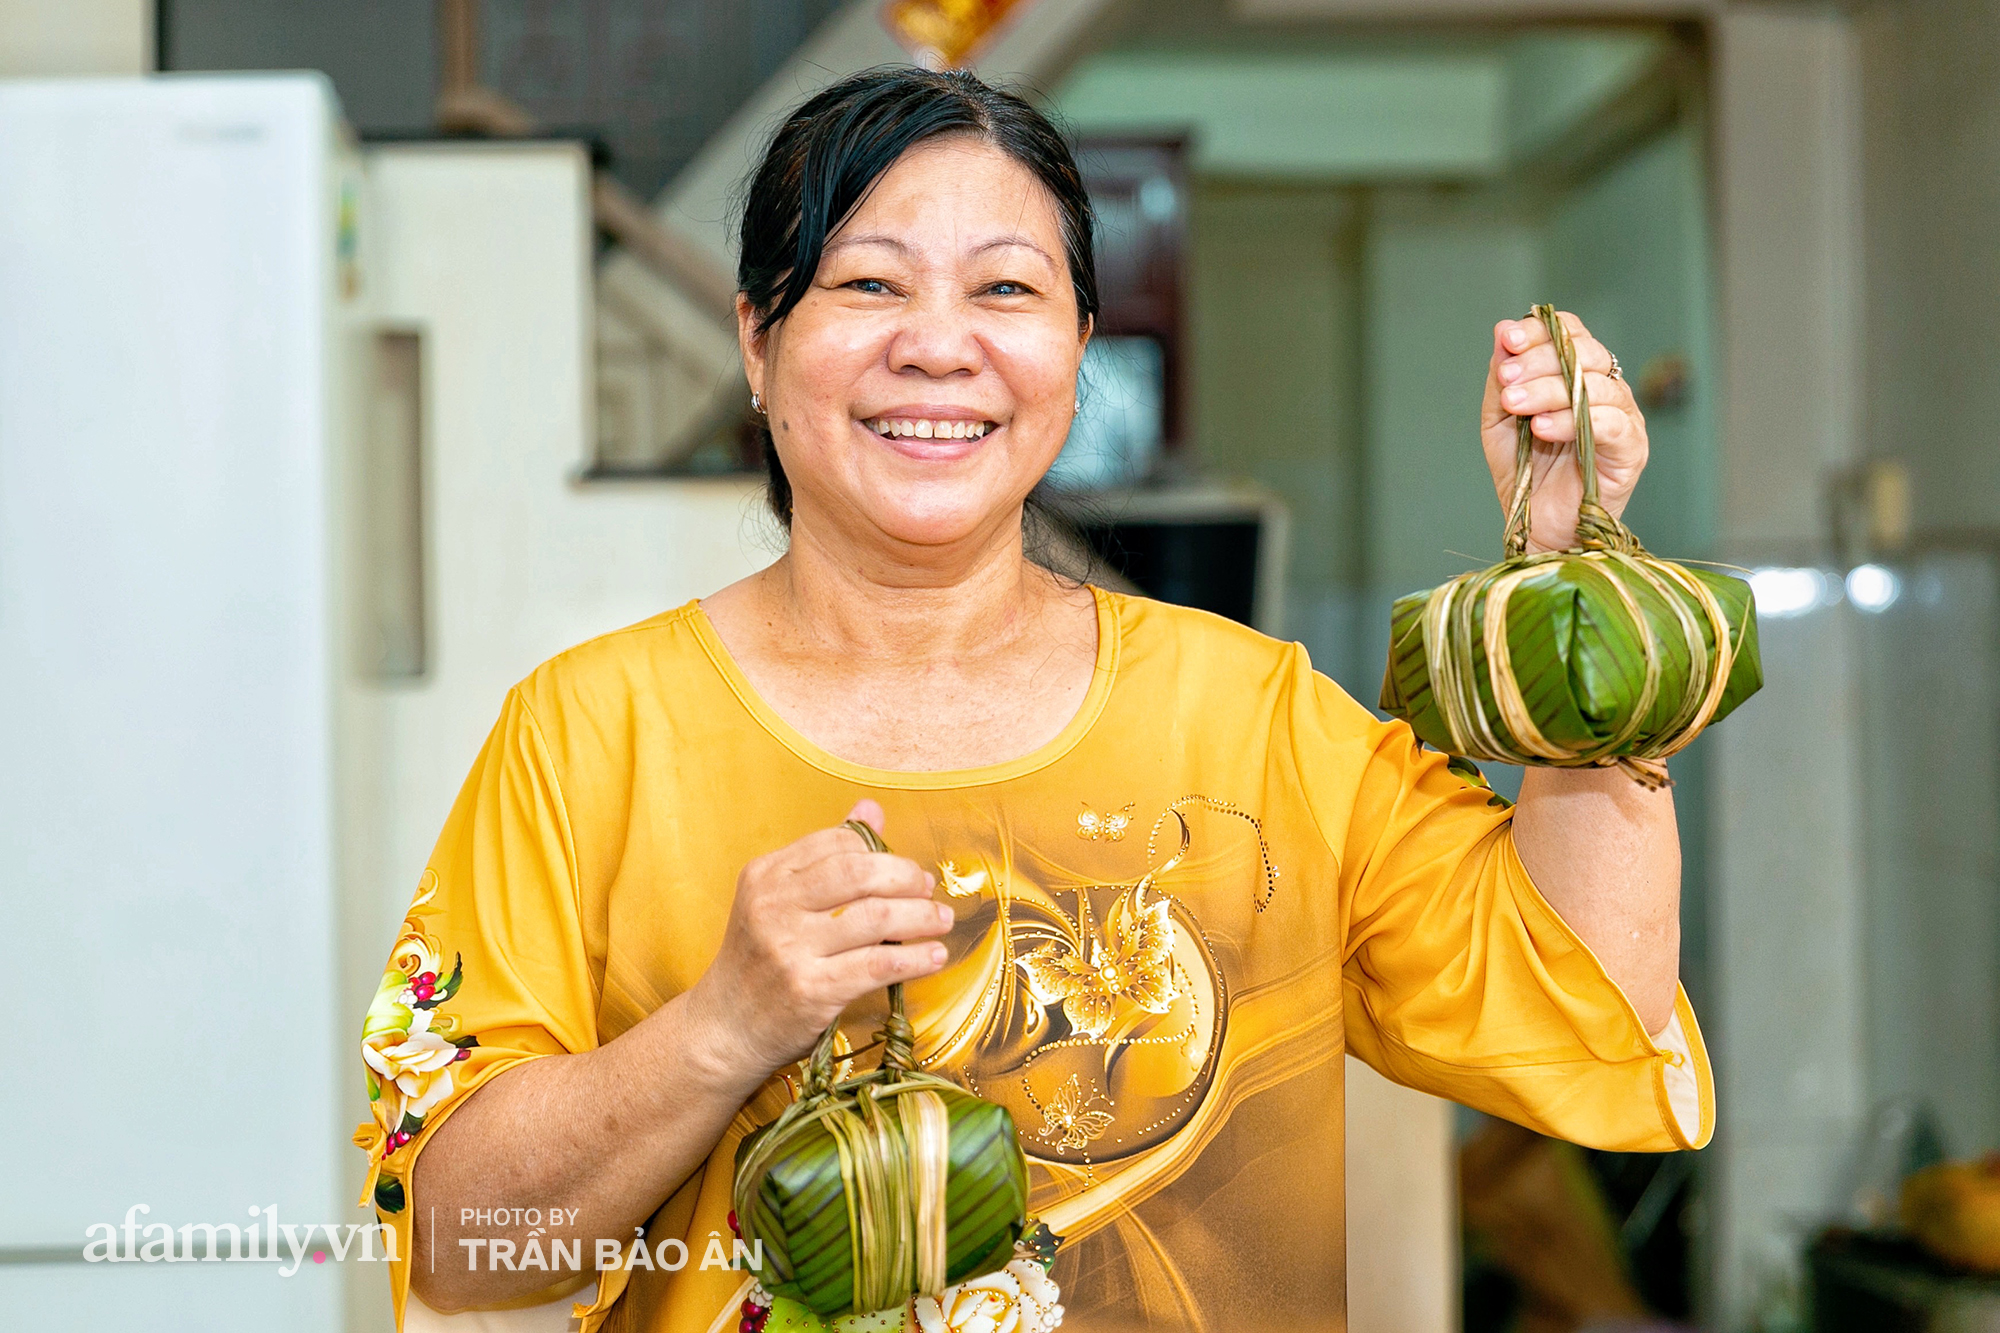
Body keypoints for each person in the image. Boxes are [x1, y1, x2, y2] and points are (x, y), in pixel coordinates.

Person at [355, 65, 1707, 1333]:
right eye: (869, 284)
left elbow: (1586, 994)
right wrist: (721, 1028)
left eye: (1006, 290)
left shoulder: (1254, 716)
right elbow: (460, 1244)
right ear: (760, 344)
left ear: (1076, 350)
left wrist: (1564, 577)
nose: (940, 348)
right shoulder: (592, 732)